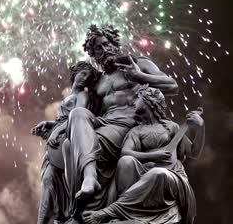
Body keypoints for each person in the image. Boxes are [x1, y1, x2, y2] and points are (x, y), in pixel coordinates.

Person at [64, 25, 179, 220]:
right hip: (104, 123)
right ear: (93, 55)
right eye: (98, 48)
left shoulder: (138, 64)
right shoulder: (97, 82)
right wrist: (54, 125)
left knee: (73, 145)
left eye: (106, 44)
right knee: (74, 124)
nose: (104, 50)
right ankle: (89, 183)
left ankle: (89, 197)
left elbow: (172, 86)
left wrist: (140, 77)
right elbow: (86, 109)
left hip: (128, 125)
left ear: (115, 44)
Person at [83, 85, 205, 224]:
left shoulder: (172, 127)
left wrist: (200, 128)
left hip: (171, 177)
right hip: (145, 173)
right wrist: (153, 156)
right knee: (126, 161)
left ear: (149, 101)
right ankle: (128, 214)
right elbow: (125, 152)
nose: (134, 102)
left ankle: (110, 211)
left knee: (158, 173)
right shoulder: (137, 131)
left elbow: (194, 152)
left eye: (138, 98)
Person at [31, 61, 100, 224]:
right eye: (83, 74)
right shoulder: (70, 95)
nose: (84, 78)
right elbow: (62, 119)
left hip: (65, 141)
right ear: (75, 73)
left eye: (88, 77)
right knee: (47, 182)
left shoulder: (83, 95)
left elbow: (76, 115)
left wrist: (60, 131)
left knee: (51, 182)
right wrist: (48, 125)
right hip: (56, 143)